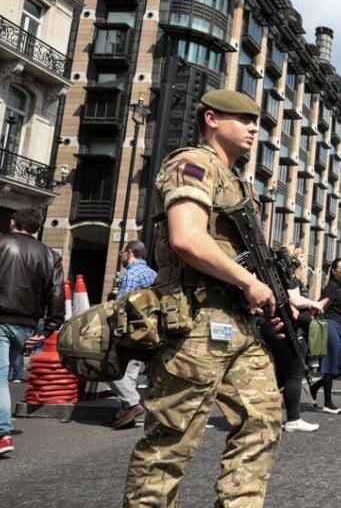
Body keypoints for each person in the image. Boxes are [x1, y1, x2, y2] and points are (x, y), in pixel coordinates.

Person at [122, 89, 282, 506]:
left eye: (256, 122)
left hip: (237, 325)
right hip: (195, 322)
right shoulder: (192, 164)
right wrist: (249, 281)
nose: (253, 129)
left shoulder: (237, 181)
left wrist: (281, 296)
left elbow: (242, 256)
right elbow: (187, 238)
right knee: (170, 443)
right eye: (243, 119)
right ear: (211, 118)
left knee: (262, 421)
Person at [0, 208, 64, 457]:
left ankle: (3, 432)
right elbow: (57, 293)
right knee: (3, 376)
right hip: (26, 324)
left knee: (0, 376)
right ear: (37, 228)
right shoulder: (49, 255)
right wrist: (50, 327)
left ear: (12, 222)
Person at [257, 246, 324, 433]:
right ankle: (293, 418)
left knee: (281, 373)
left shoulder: (277, 274)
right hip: (284, 326)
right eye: (301, 257)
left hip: (276, 325)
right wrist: (314, 303)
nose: (303, 261)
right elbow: (295, 300)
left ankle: (260, 411)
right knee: (294, 371)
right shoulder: (286, 274)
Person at [107, 240, 157, 430]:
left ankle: (132, 403)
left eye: (121, 252)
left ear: (129, 253)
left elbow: (121, 305)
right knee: (131, 372)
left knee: (111, 367)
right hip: (147, 330)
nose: (121, 256)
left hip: (129, 329)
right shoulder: (152, 273)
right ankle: (125, 412)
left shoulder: (132, 274)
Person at [310, 258, 341, 414]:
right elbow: (319, 305)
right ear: (334, 271)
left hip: (340, 328)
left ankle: (314, 387)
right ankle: (328, 403)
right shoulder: (332, 287)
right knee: (330, 366)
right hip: (330, 326)